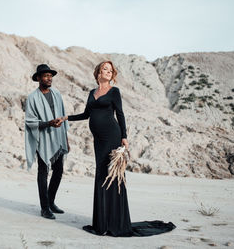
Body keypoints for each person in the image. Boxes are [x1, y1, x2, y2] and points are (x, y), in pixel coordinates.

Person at [62, 61, 176, 236]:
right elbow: (86, 114)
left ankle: (115, 222)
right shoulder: (92, 93)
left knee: (113, 176)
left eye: (110, 70)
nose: (108, 72)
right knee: (101, 175)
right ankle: (102, 223)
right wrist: (66, 118)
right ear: (98, 73)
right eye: (104, 69)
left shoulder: (114, 92)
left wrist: (124, 137)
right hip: (98, 141)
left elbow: (120, 114)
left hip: (112, 137)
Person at [25, 64, 69, 220]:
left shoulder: (56, 94)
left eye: (50, 76)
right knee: (43, 172)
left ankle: (51, 202)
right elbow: (30, 122)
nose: (49, 78)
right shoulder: (32, 98)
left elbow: (63, 116)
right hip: (42, 139)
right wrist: (48, 123)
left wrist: (66, 139)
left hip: (58, 137)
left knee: (58, 170)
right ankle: (44, 208)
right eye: (45, 76)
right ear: (38, 78)